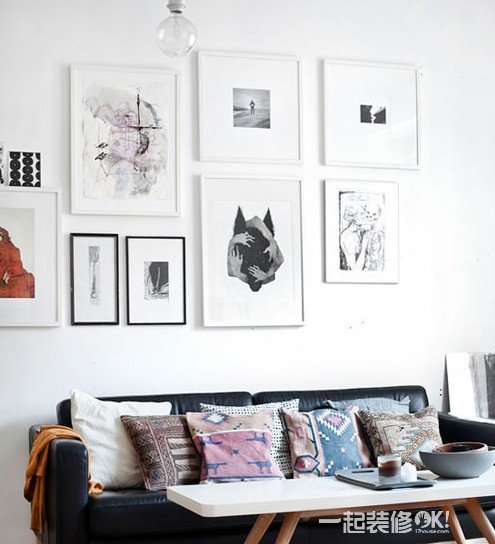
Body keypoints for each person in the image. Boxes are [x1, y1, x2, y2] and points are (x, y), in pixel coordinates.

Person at [0, 227, 35, 298]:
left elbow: (4, 268)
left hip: (16, 283)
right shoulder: (10, 245)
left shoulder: (5, 248)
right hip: (24, 281)